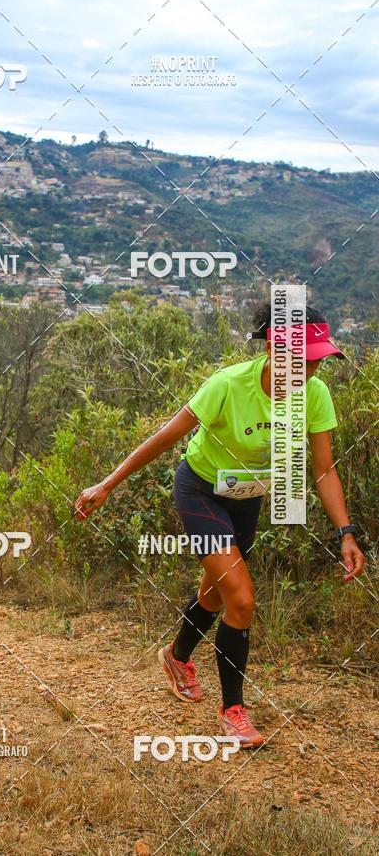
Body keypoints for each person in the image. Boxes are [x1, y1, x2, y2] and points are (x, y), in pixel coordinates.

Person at [74, 303, 365, 747]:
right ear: (273, 349)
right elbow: (167, 435)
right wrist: (108, 483)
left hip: (247, 499)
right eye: (303, 359)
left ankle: (175, 657)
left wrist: (345, 532)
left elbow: (324, 471)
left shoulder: (316, 395)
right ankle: (233, 711)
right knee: (242, 600)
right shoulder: (229, 385)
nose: (310, 368)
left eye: (317, 359)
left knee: (216, 592)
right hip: (201, 491)